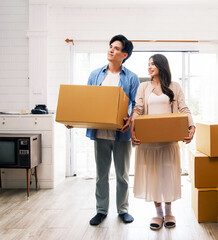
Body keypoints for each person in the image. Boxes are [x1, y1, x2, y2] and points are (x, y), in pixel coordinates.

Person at [69, 34, 139, 226]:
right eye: (110, 46)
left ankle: (123, 210)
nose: (111, 50)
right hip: (100, 132)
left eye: (116, 48)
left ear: (124, 55)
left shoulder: (131, 77)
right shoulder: (95, 74)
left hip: (121, 133)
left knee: (122, 175)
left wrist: (130, 118)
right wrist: (73, 119)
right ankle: (101, 210)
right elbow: (87, 100)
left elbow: (136, 104)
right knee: (101, 175)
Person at [130, 54, 195, 230]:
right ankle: (158, 214)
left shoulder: (174, 86)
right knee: (154, 177)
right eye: (148, 64)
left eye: (153, 64)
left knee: (167, 175)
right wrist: (133, 129)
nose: (149, 67)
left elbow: (183, 108)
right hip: (149, 142)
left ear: (162, 66)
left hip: (168, 142)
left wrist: (191, 127)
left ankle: (169, 211)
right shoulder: (143, 86)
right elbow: (138, 109)